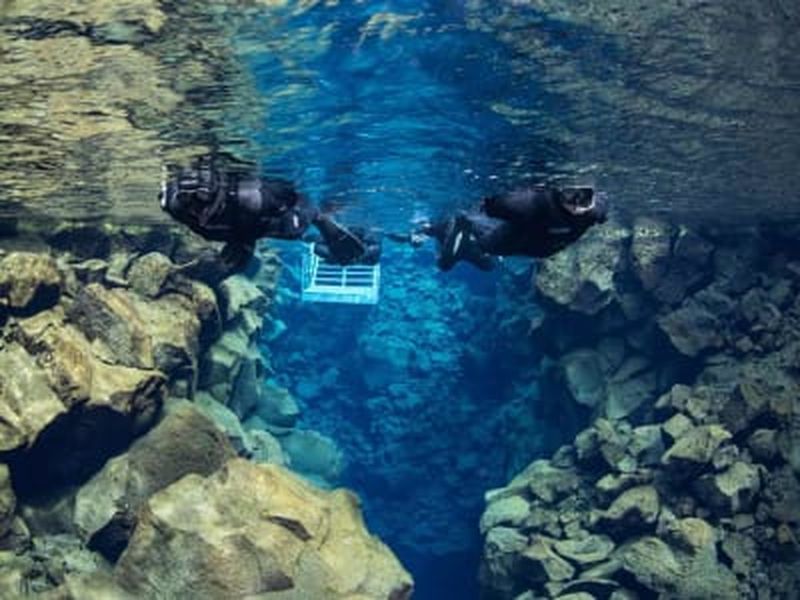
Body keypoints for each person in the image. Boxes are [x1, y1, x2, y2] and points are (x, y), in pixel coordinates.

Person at [159, 154, 373, 270]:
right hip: (240, 219)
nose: (199, 213)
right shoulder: (173, 202)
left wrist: (244, 241)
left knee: (294, 229)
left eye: (204, 205)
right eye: (192, 204)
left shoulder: (255, 199)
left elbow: (298, 201)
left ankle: (323, 221)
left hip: (269, 211)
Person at [396, 185, 608, 271]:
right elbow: (491, 205)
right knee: (477, 251)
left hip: (521, 244)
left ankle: (464, 224)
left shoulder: (595, 211)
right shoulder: (531, 204)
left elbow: (491, 205)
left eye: (584, 199)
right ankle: (463, 224)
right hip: (507, 243)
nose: (577, 206)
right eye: (572, 196)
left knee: (478, 251)